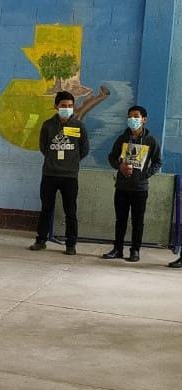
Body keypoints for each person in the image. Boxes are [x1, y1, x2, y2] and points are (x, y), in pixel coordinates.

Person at [30, 91, 89, 255]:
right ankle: (41, 240)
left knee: (70, 210)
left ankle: (71, 244)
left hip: (70, 176)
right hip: (49, 174)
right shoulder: (48, 125)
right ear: (56, 106)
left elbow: (84, 149)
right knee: (46, 208)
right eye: (63, 106)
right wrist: (53, 160)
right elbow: (44, 147)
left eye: (70, 106)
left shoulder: (78, 126)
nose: (67, 108)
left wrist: (71, 161)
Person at [102, 105, 161, 263]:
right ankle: (117, 249)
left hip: (140, 188)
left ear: (144, 120)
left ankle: (135, 250)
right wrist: (119, 166)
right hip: (122, 187)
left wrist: (145, 175)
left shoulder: (150, 140)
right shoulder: (122, 139)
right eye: (130, 116)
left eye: (136, 116)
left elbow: (158, 162)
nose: (132, 119)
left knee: (137, 221)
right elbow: (112, 157)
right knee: (120, 220)